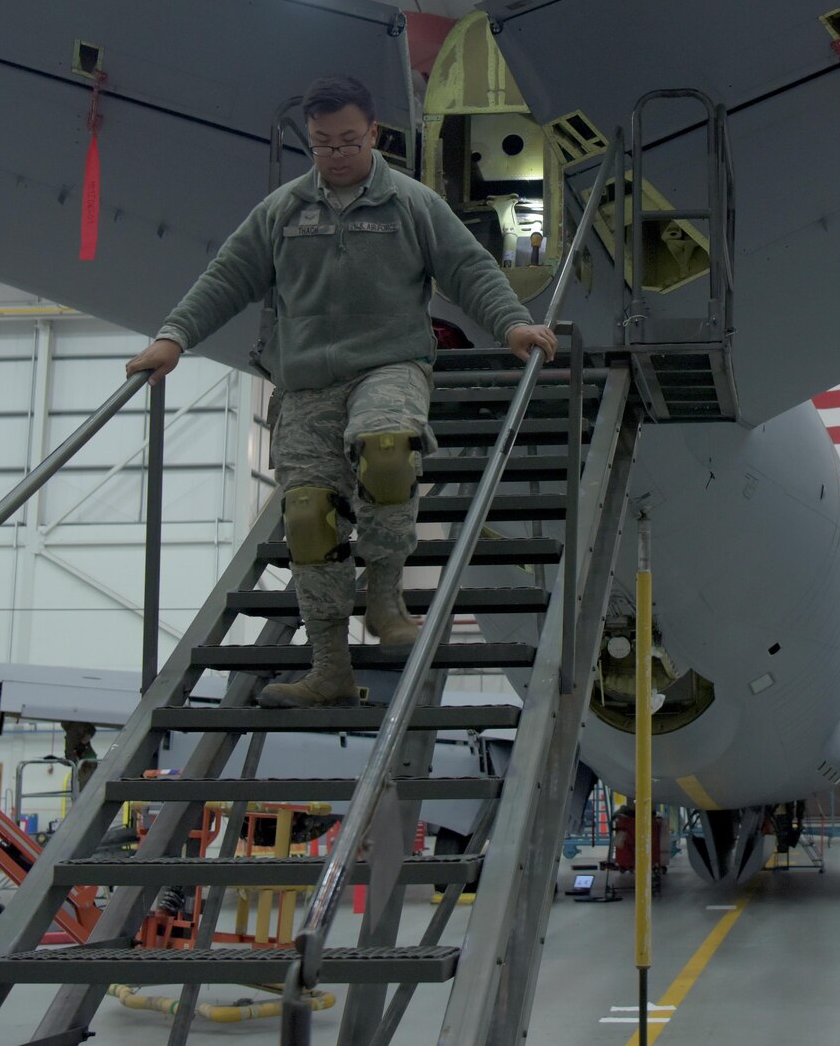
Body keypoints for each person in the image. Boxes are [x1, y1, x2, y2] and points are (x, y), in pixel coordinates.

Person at [127, 75, 557, 708]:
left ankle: (384, 596)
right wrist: (172, 338)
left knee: (386, 451)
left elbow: (468, 267)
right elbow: (226, 277)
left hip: (390, 366)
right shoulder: (281, 212)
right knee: (308, 515)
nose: (335, 154)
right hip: (305, 384)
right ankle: (330, 666)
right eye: (323, 144)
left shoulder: (410, 204)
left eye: (348, 141)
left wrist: (513, 324)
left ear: (374, 134)